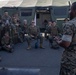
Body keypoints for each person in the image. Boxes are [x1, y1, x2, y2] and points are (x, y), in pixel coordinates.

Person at [55, 2, 76, 75]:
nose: (69, 12)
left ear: (74, 11)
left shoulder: (70, 24)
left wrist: (58, 41)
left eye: (70, 10)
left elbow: (66, 44)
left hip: (71, 61)